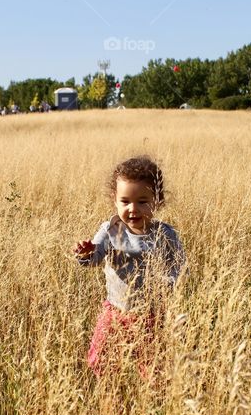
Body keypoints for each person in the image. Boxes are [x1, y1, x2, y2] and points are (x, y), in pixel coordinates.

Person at [73, 156, 185, 378]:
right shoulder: (111, 230)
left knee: (154, 371)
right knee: (100, 362)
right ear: (115, 200)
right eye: (125, 201)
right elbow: (95, 257)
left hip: (152, 315)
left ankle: (151, 406)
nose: (133, 209)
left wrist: (168, 284)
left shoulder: (165, 234)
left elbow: (179, 267)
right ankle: (112, 399)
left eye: (143, 201)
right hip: (115, 311)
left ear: (158, 201)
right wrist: (86, 253)